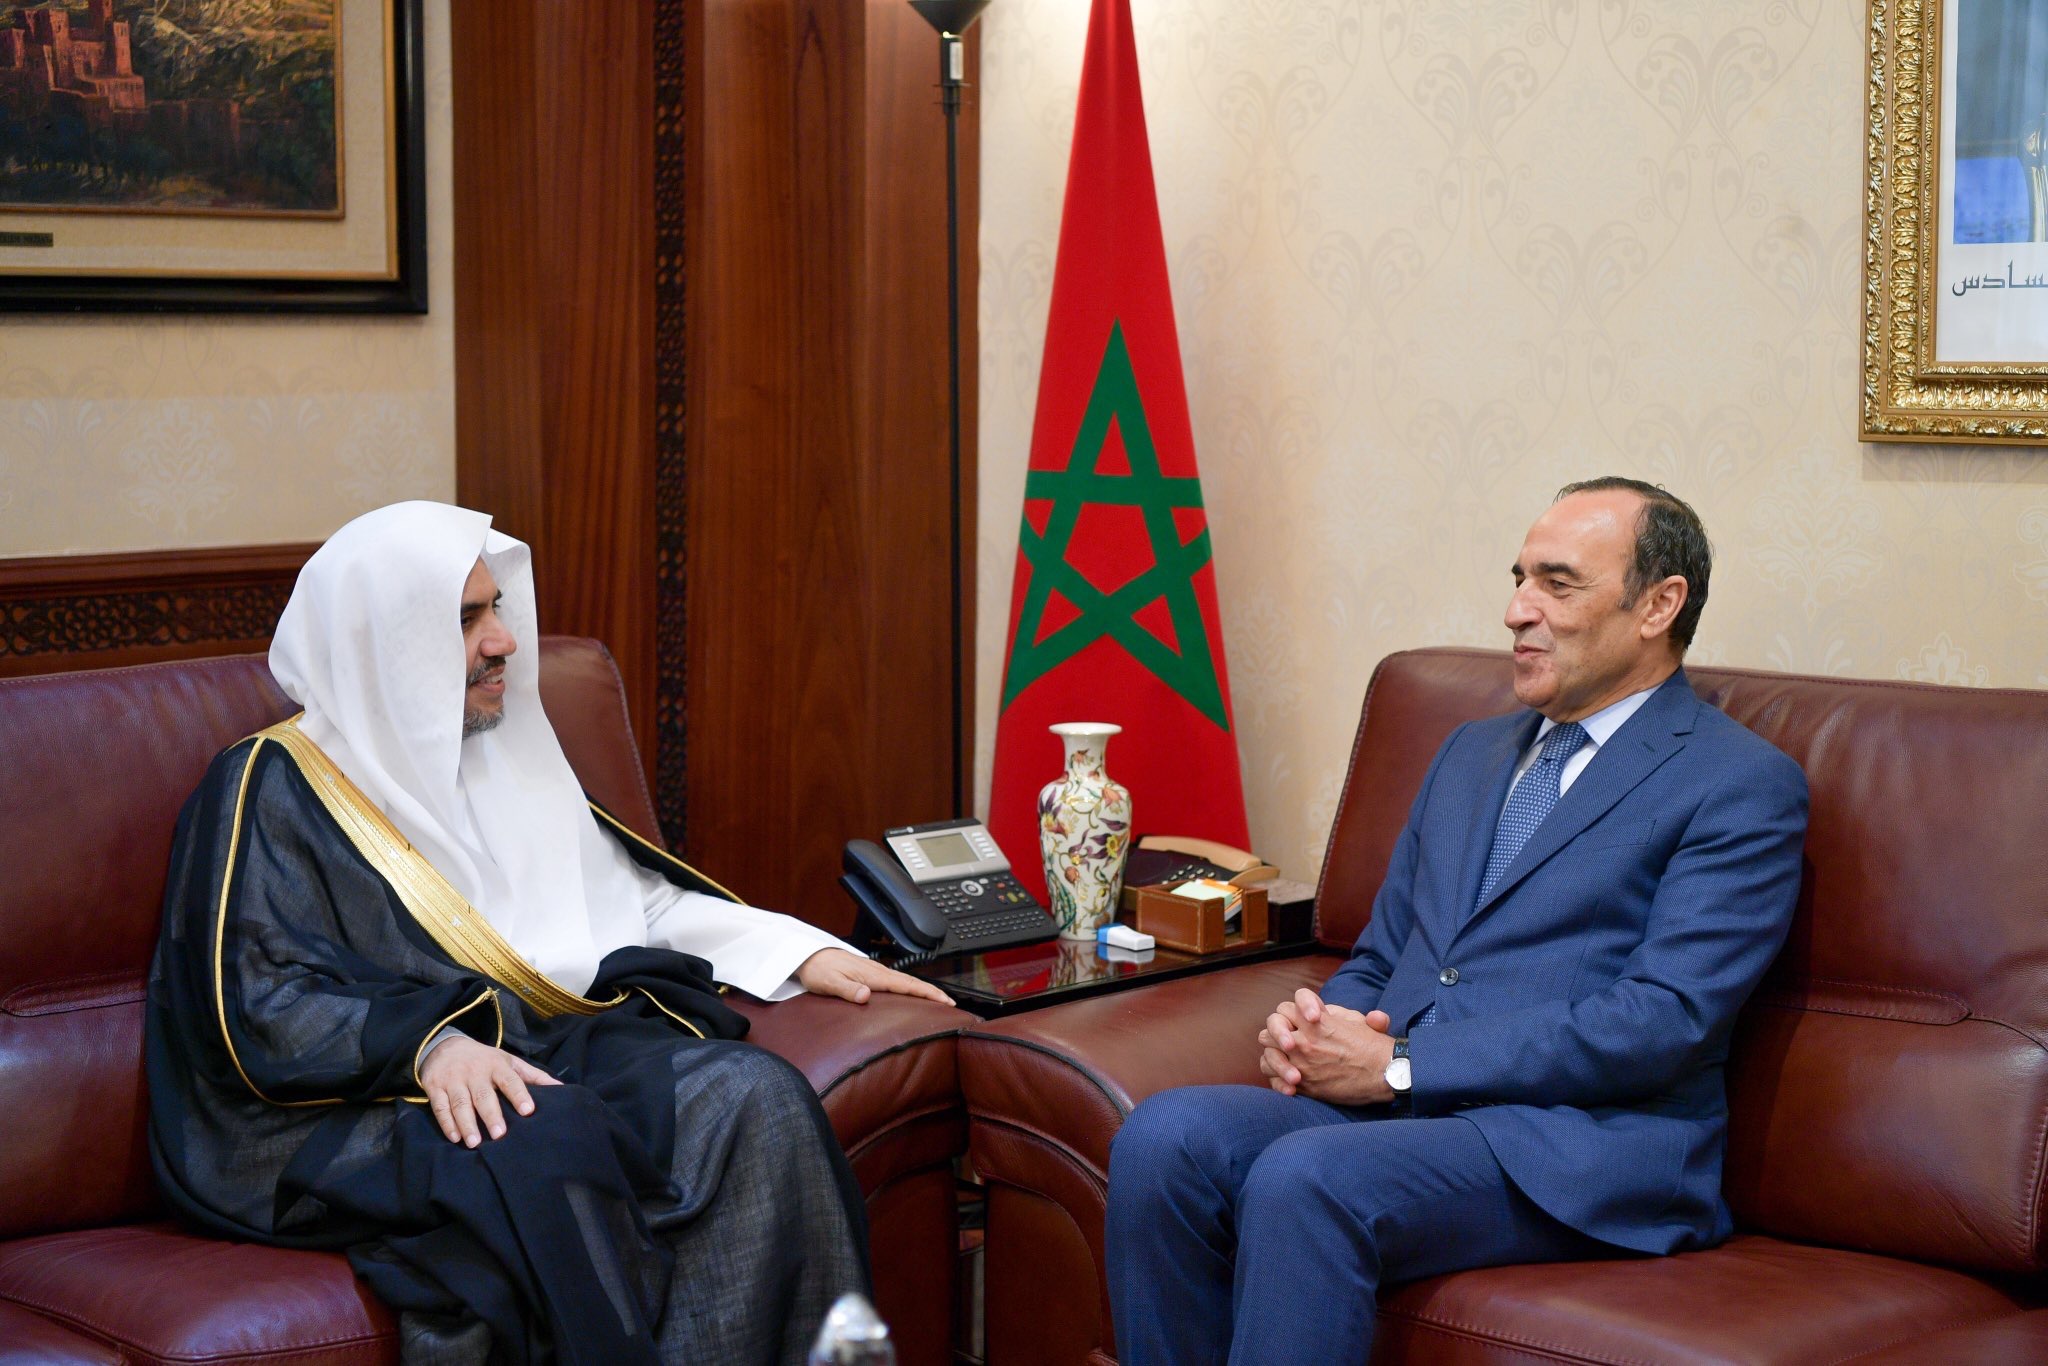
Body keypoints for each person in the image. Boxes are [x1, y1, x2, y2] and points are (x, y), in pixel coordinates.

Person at [146, 501, 952, 1366]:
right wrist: (430, 1049)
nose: (504, 641)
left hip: (536, 1050)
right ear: (384, 645)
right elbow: (260, 997)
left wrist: (805, 953)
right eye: (467, 620)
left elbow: (624, 908)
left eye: (496, 610)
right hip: (347, 1102)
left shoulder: (506, 748)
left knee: (754, 1097)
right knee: (546, 1142)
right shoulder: (272, 783)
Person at [1104, 478, 1810, 1364]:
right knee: (1162, 1139)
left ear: (1657, 607)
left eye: (1558, 584)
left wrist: (1399, 1067)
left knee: (1303, 1177)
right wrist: (1320, 1029)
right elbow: (1387, 952)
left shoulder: (1737, 783)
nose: (1518, 609)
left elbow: (1661, 1021)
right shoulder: (1471, 753)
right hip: (1413, 1118)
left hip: (1573, 1145)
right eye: (1520, 578)